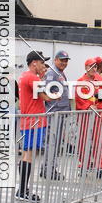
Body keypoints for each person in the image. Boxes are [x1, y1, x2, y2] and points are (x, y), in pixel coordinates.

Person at [17, 50, 50, 201]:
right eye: (42, 62)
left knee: (27, 153)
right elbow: (47, 97)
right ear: (34, 63)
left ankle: (23, 189)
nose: (44, 66)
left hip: (31, 120)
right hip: (33, 121)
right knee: (28, 155)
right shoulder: (31, 77)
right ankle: (23, 190)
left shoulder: (27, 76)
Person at [42, 50, 71, 180]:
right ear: (55, 60)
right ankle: (49, 170)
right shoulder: (51, 73)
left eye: (66, 60)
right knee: (52, 142)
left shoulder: (60, 73)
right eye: (61, 60)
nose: (64, 63)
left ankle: (48, 168)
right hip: (54, 113)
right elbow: (46, 90)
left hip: (60, 113)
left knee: (56, 142)